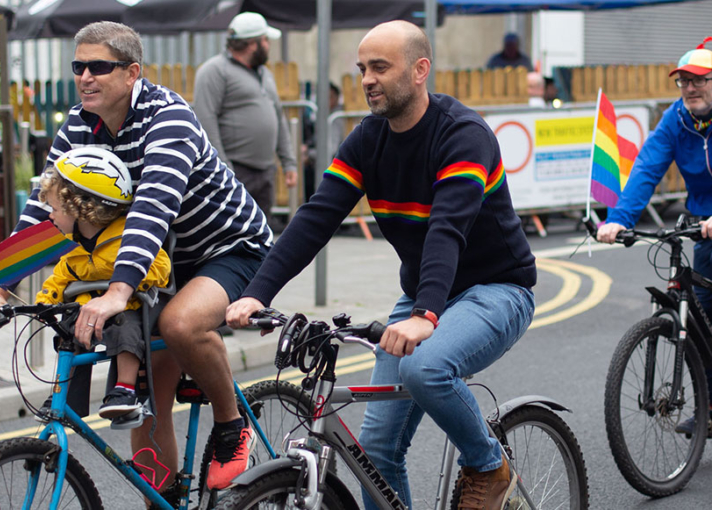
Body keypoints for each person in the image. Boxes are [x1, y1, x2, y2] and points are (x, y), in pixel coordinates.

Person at [228, 20, 537, 510]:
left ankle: (488, 465)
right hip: (422, 296)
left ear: (419, 71)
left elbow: (447, 229)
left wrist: (425, 315)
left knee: (426, 368)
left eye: (379, 67)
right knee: (376, 453)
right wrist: (256, 291)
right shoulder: (367, 139)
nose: (367, 78)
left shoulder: (463, 135)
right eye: (361, 69)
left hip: (496, 289)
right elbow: (315, 218)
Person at [0, 21, 272, 494]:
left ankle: (232, 427)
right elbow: (49, 208)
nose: (85, 77)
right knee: (150, 398)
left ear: (132, 73)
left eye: (99, 67)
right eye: (78, 67)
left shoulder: (168, 117)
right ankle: (164, 500)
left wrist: (117, 292)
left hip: (227, 247)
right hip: (158, 260)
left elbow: (152, 207)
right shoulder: (78, 124)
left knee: (180, 325)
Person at [597, 37, 712, 434]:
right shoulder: (677, 119)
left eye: (698, 81)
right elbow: (647, 167)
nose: (689, 89)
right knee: (702, 316)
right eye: (683, 82)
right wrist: (619, 219)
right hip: (705, 222)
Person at [34, 147, 171, 420]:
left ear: (81, 210)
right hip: (88, 309)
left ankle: (124, 390)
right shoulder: (75, 246)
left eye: (55, 209)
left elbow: (160, 265)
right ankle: (66, 395)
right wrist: (44, 300)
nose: (50, 216)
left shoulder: (128, 237)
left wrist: (134, 281)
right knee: (67, 331)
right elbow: (61, 274)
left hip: (127, 308)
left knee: (126, 328)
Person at [193, 12, 298, 229]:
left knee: (261, 232)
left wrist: (289, 162)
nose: (268, 45)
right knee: (233, 232)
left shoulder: (264, 73)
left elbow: (278, 116)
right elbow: (206, 120)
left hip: (264, 171)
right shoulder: (214, 71)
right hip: (235, 170)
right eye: (266, 40)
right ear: (252, 44)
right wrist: (223, 169)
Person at [302, 82, 344, 199]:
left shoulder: (336, 118)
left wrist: (309, 155)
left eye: (329, 97)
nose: (325, 102)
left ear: (336, 98)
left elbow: (330, 149)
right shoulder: (324, 116)